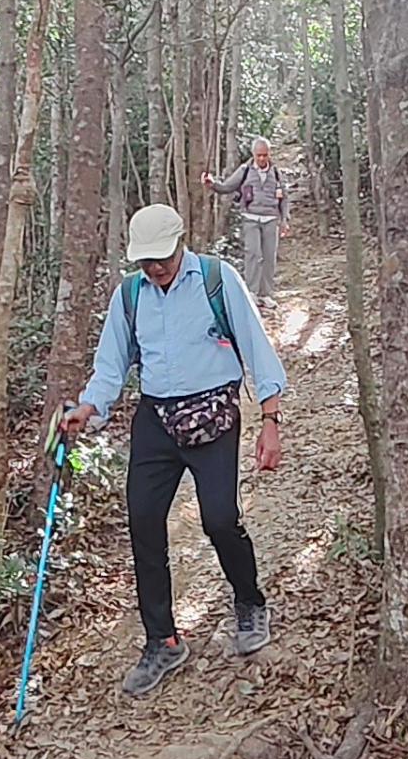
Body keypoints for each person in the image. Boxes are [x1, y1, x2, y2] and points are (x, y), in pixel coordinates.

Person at [59, 203, 287, 698]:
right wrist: (89, 406)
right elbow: (111, 364)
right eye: (147, 260)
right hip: (156, 419)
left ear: (181, 243)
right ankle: (162, 639)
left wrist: (270, 421)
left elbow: (257, 348)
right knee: (143, 522)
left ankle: (249, 602)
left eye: (162, 257)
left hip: (213, 416)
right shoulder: (130, 295)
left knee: (220, 519)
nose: (156, 267)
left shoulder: (217, 280)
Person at [202, 136, 290, 310]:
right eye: (259, 155)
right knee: (253, 254)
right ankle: (252, 292)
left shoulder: (276, 173)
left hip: (271, 218)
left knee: (269, 257)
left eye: (265, 155)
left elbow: (284, 198)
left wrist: (285, 220)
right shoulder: (245, 170)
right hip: (251, 217)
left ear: (270, 154)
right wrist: (212, 184)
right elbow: (227, 187)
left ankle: (266, 294)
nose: (262, 159)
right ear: (253, 154)